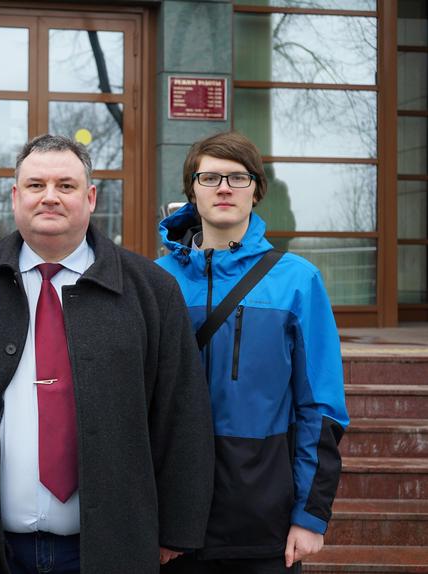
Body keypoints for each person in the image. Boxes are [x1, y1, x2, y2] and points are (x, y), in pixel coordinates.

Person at [0, 134, 215, 573]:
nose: (50, 197)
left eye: (65, 186)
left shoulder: (151, 291)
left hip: (111, 548)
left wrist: (176, 530)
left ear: (90, 198)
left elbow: (181, 413)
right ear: (15, 197)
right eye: (36, 185)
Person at [157, 131, 350, 574]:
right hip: (172, 524)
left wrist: (310, 515)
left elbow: (321, 408)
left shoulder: (297, 281)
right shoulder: (155, 280)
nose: (224, 188)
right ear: (191, 190)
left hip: (264, 521)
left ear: (256, 191)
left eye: (238, 178)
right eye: (210, 177)